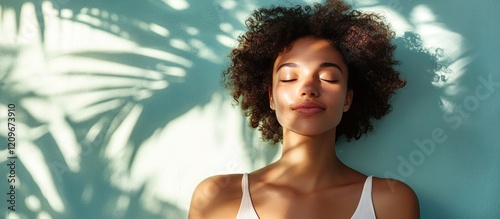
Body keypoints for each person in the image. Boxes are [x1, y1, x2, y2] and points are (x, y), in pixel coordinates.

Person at [189, 0, 419, 218]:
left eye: (329, 77)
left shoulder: (390, 202)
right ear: (270, 96)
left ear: (348, 99)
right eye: (289, 78)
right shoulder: (217, 197)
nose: (308, 88)